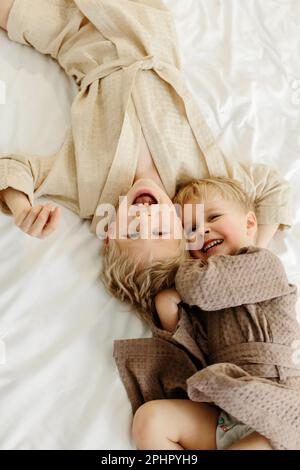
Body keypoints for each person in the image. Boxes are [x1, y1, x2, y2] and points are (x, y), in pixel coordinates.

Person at [0, 1, 292, 311]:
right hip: (147, 25)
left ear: (110, 233)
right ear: (181, 228)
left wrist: (21, 209)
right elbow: (273, 190)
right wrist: (252, 257)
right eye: (161, 228)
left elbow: (15, 169)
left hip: (74, 37)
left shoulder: (86, 189)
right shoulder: (204, 178)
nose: (145, 216)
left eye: (134, 230)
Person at [113, 177, 300, 450]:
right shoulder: (204, 300)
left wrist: (182, 274)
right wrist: (171, 315)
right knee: (150, 420)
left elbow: (202, 287)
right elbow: (195, 349)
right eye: (190, 229)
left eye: (213, 217)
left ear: (249, 224)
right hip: (225, 411)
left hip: (278, 406)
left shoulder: (264, 265)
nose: (202, 231)